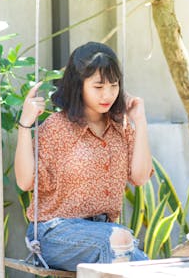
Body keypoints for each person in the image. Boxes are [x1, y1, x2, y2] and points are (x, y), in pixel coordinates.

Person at [14, 41, 152, 271]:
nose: (107, 94)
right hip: (55, 234)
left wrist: (140, 120)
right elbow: (25, 181)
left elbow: (140, 177)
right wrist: (24, 125)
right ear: (79, 86)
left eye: (114, 85)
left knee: (142, 266)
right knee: (123, 245)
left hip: (109, 236)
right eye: (98, 87)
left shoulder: (121, 127)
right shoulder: (57, 127)